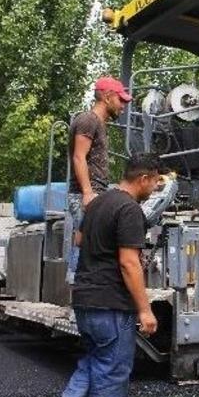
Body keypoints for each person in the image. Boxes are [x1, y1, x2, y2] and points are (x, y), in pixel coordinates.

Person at [54, 153, 162, 397]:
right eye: (155, 182)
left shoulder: (96, 204)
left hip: (84, 302)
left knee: (93, 364)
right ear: (143, 178)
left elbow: (79, 240)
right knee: (112, 373)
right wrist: (145, 310)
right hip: (111, 305)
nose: (156, 188)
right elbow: (128, 263)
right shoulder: (129, 209)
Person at [66, 76, 131, 284]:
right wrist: (87, 193)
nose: (123, 106)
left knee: (85, 241)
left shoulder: (98, 124)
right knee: (85, 242)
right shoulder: (88, 120)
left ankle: (79, 285)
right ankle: (78, 287)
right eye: (120, 100)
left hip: (95, 193)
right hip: (86, 194)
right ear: (107, 96)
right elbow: (79, 156)